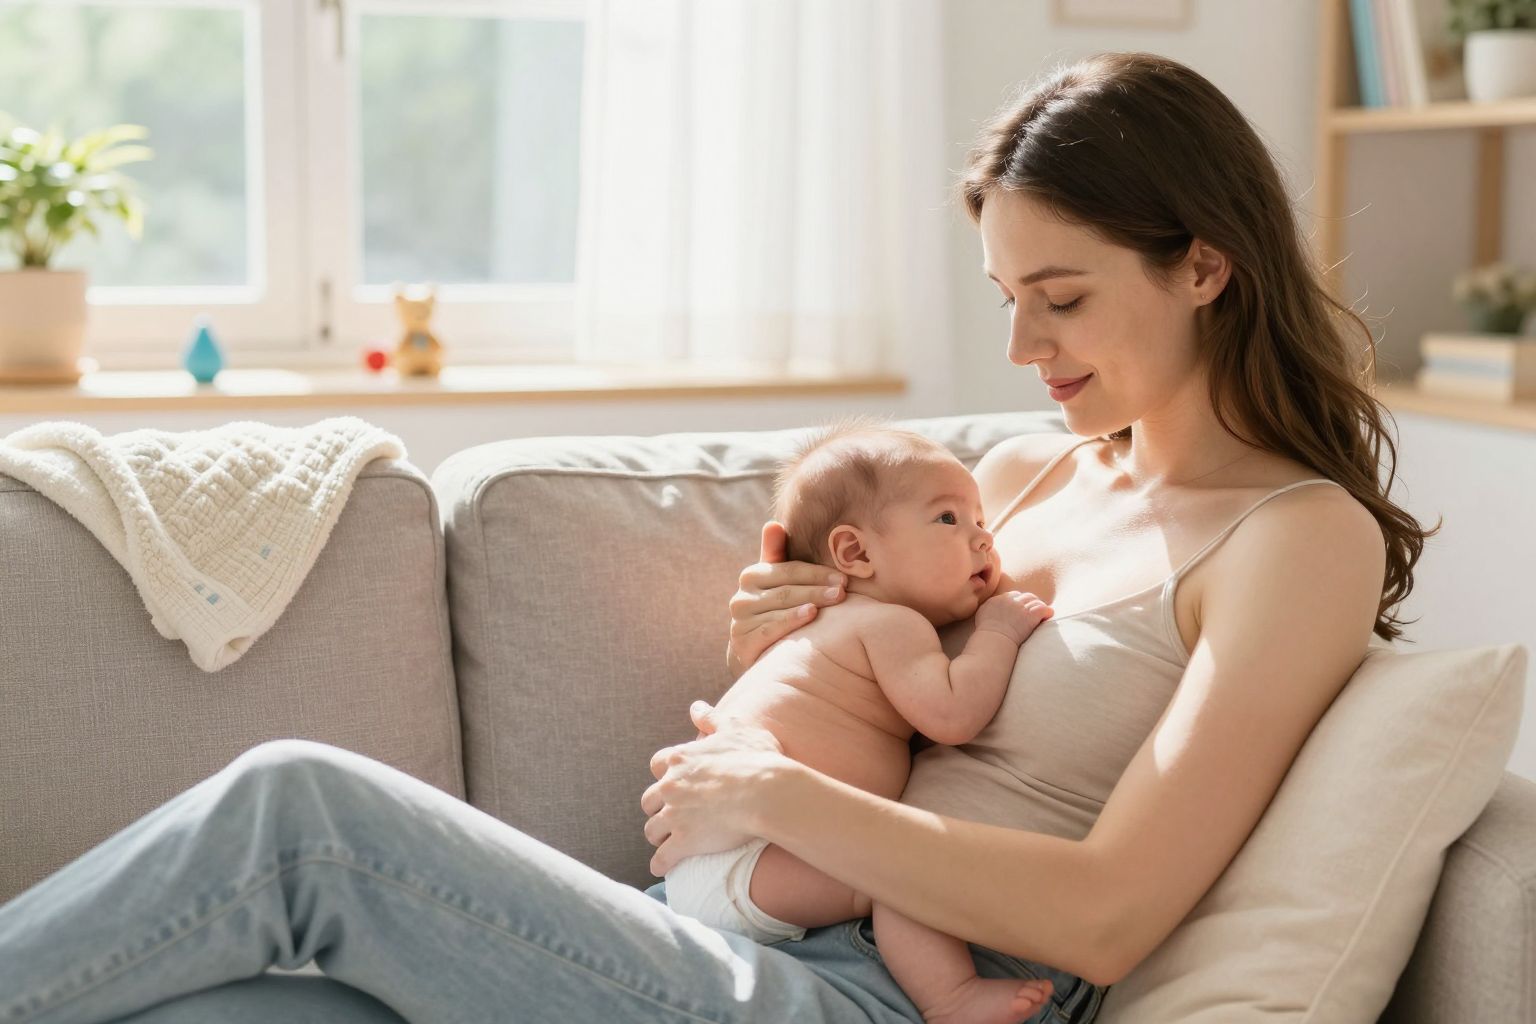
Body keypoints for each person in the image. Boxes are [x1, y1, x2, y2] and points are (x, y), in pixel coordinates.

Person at [0, 51, 1432, 1024]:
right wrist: (786, 658)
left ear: (1203, 265)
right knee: (250, 1005)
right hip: (742, 925)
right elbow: (859, 695)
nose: (1019, 343)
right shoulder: (1026, 475)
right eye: (1004, 294)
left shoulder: (1291, 542)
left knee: (300, 811)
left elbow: (1115, 916)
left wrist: (776, 799)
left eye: (1059, 297)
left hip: (877, 997)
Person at [663, 417, 1057, 1024]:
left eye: (981, 520)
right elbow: (953, 715)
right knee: (899, 872)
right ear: (855, 552)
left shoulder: (810, 626)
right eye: (949, 519)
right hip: (760, 852)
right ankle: (949, 997)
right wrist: (998, 634)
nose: (983, 539)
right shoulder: (891, 625)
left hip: (711, 859)